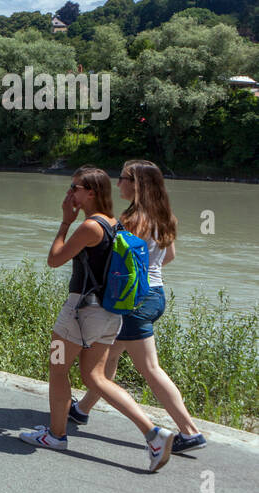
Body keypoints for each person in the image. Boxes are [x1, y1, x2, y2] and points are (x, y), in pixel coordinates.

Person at [18, 166, 176, 472]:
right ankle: (154, 434)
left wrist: (65, 221)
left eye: (75, 187)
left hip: (80, 312)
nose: (70, 193)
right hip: (107, 314)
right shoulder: (117, 224)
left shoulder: (91, 227)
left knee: (57, 368)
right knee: (95, 377)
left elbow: (54, 259)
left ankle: (56, 435)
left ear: (90, 193)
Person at [69, 161, 206, 453]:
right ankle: (81, 409)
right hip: (155, 293)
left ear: (137, 184)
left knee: (150, 368)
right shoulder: (166, 216)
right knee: (107, 362)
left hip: (135, 300)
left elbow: (115, 260)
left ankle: (190, 431)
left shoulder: (132, 220)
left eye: (123, 179)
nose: (118, 184)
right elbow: (168, 257)